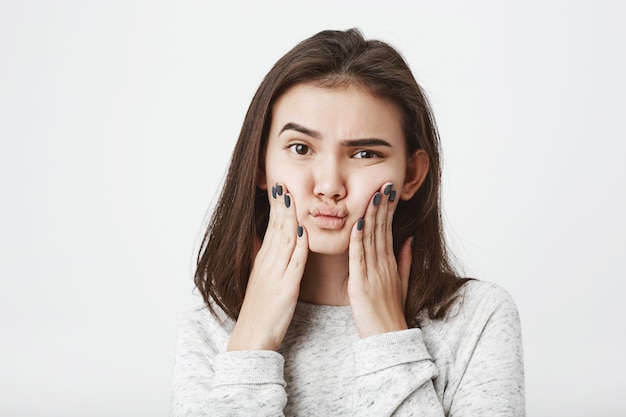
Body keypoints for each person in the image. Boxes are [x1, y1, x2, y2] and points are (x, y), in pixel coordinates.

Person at [170, 28, 525, 416]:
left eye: (365, 154)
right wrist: (252, 346)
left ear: (411, 176)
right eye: (301, 148)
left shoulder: (478, 319)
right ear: (260, 165)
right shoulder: (210, 332)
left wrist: (389, 340)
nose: (329, 185)